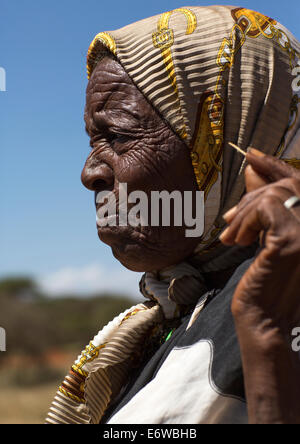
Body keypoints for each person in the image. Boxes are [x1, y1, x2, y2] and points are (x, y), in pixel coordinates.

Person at [46, 6, 300, 424]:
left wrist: (267, 334)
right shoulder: (171, 317)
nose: (89, 173)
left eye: (120, 135)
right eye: (94, 140)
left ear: (227, 136)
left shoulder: (278, 303)